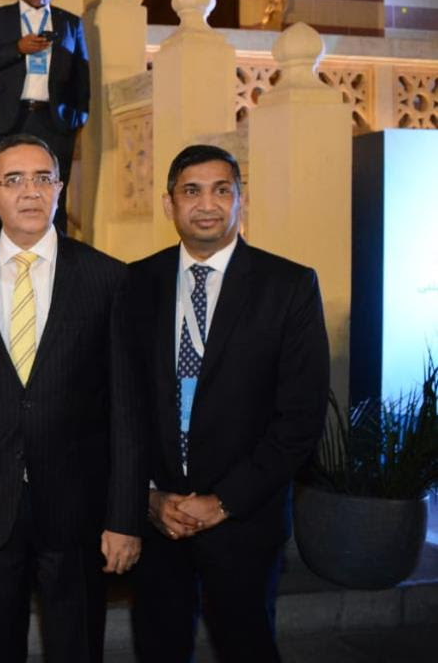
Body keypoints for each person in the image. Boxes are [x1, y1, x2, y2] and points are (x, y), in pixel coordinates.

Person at [0, 134, 144, 663]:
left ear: (60, 188)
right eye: (14, 180)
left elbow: (127, 411)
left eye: (43, 178)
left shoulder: (108, 278)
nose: (30, 191)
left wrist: (124, 516)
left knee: (77, 648)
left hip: (78, 510)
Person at [128, 144, 329, 663]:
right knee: (158, 648)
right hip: (158, 519)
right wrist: (148, 497)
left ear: (242, 199)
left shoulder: (289, 286)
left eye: (222, 190)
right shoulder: (135, 283)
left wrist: (222, 501)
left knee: (247, 645)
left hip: (245, 518)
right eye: (191, 191)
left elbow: (300, 418)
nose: (207, 204)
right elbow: (120, 404)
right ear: (169, 202)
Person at [0, 0, 89, 233]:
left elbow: (82, 77)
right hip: (9, 119)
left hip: (54, 122)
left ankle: (58, 255)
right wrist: (17, 49)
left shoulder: (70, 23)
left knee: (54, 196)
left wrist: (77, 119)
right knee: (3, 192)